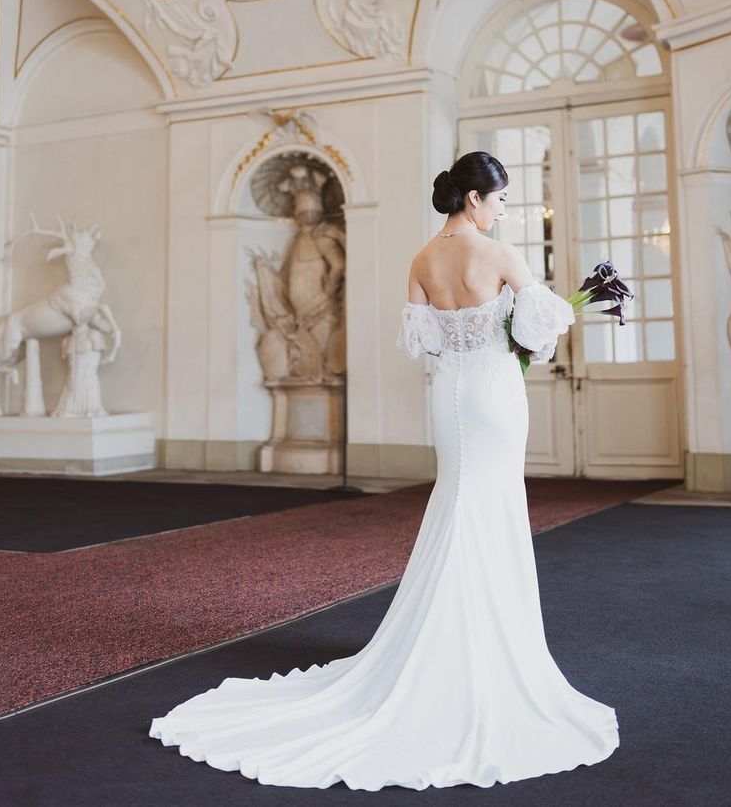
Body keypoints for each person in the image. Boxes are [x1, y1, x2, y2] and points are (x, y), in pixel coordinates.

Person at [148, 151, 620, 790]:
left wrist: (484, 331)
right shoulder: (500, 254)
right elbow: (539, 333)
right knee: (491, 505)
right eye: (502, 198)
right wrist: (537, 319)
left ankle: (440, 636)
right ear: (476, 200)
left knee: (457, 499)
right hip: (493, 397)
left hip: (448, 398)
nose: (505, 208)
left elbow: (423, 342)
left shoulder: (423, 260)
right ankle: (482, 646)